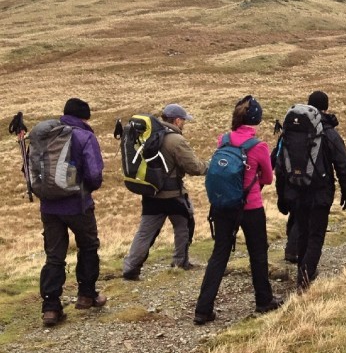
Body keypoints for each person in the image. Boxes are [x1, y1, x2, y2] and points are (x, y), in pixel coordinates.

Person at [194, 95, 282, 325]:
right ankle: (264, 301)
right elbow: (269, 178)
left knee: (219, 253)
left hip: (222, 205)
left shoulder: (222, 140)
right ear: (256, 120)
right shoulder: (259, 146)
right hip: (250, 207)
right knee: (258, 253)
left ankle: (203, 309)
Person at [275, 91, 346, 290]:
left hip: (295, 191)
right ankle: (305, 278)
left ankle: (304, 272)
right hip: (320, 193)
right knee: (316, 235)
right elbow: (343, 164)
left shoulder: (291, 132)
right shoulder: (328, 132)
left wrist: (282, 197)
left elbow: (280, 166)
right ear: (326, 108)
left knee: (302, 232)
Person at [39, 98, 106, 327]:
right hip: (78, 205)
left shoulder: (47, 135)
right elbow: (94, 174)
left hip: (49, 207)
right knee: (88, 246)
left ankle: (50, 308)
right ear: (85, 117)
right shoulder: (84, 136)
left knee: (54, 256)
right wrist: (86, 189)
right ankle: (87, 295)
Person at [122, 104, 207, 280]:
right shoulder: (176, 140)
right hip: (173, 195)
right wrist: (209, 166)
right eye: (183, 120)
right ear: (177, 120)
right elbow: (194, 167)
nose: (184, 123)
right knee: (184, 225)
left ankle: (130, 267)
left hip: (151, 193)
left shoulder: (148, 136)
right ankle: (180, 262)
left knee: (145, 232)